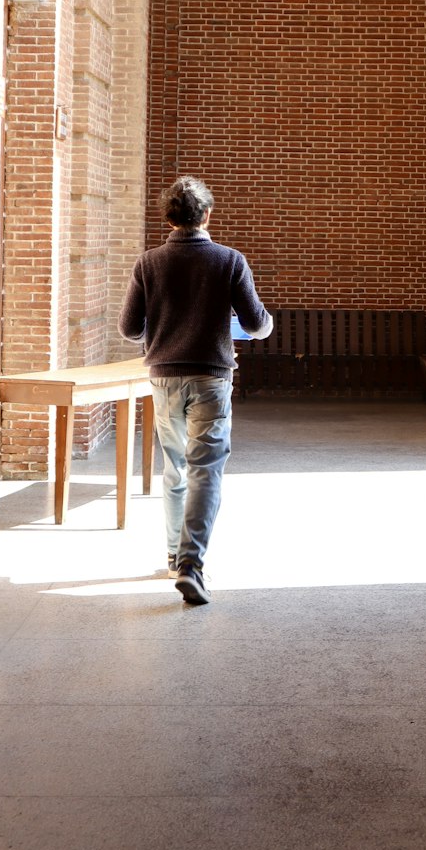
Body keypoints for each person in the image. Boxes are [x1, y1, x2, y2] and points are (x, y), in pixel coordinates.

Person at [118, 175, 273, 604]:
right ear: (207, 214)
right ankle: (192, 564)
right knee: (206, 469)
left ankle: (172, 555)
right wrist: (263, 324)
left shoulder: (148, 263)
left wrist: (163, 328)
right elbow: (257, 324)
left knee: (175, 468)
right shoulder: (229, 260)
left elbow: (130, 328)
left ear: (168, 218)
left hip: (164, 378)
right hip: (211, 377)